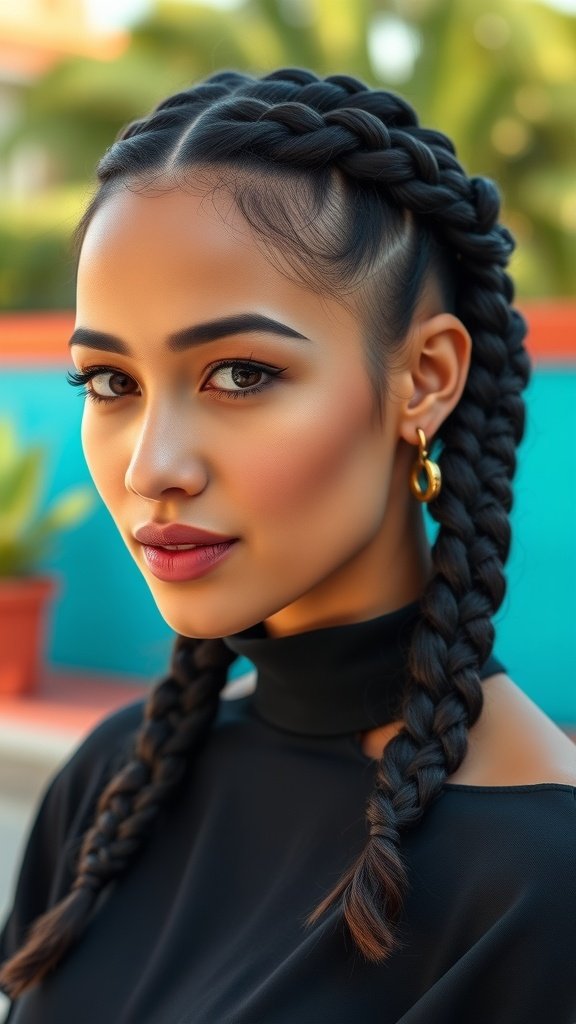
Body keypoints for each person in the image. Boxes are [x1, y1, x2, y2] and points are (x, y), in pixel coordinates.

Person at [0, 66, 575, 1023]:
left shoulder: (539, 884)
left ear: (426, 378)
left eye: (239, 374)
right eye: (108, 382)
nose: (152, 467)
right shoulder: (112, 782)